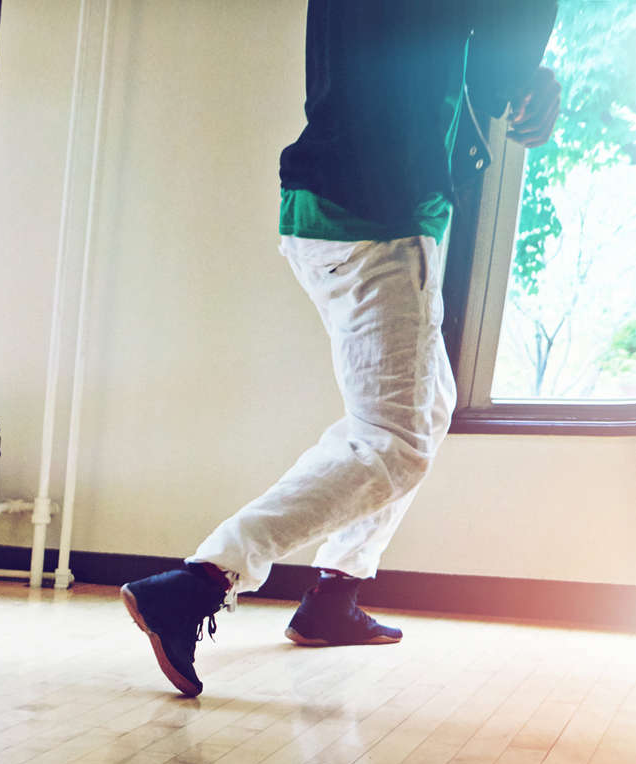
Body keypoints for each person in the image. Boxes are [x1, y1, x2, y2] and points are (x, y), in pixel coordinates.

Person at [120, 0, 561, 698]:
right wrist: (531, 69)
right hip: (376, 210)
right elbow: (504, 57)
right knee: (394, 440)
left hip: (349, 200)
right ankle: (197, 582)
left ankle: (334, 594)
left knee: (426, 408)